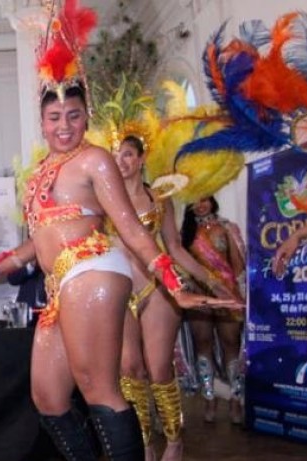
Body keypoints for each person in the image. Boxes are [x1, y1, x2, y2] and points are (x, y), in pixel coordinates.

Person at [0, 3, 237, 459]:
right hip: (59, 284)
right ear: (42, 122)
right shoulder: (39, 173)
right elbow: (36, 242)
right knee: (48, 396)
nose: (64, 126)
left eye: (73, 115)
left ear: (86, 116)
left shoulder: (95, 160)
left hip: (92, 268)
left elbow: (130, 227)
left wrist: (174, 283)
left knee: (99, 386)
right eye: (54, 117)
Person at [111, 136, 237, 460]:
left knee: (159, 370)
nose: (121, 160)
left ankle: (174, 440)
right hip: (120, 294)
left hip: (157, 290)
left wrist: (211, 281)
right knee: (130, 370)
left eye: (127, 154)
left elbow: (175, 248)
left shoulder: (159, 200)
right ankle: (144, 441)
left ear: (141, 158)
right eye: (115, 155)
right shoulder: (105, 199)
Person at [180, 196, 246, 424]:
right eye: (195, 201)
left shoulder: (227, 227)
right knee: (202, 343)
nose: (200, 205)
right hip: (199, 297)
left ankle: (236, 400)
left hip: (227, 295)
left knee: (231, 344)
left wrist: (233, 290)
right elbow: (181, 267)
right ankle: (209, 398)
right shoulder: (185, 233)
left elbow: (238, 264)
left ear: (213, 200)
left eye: (205, 199)